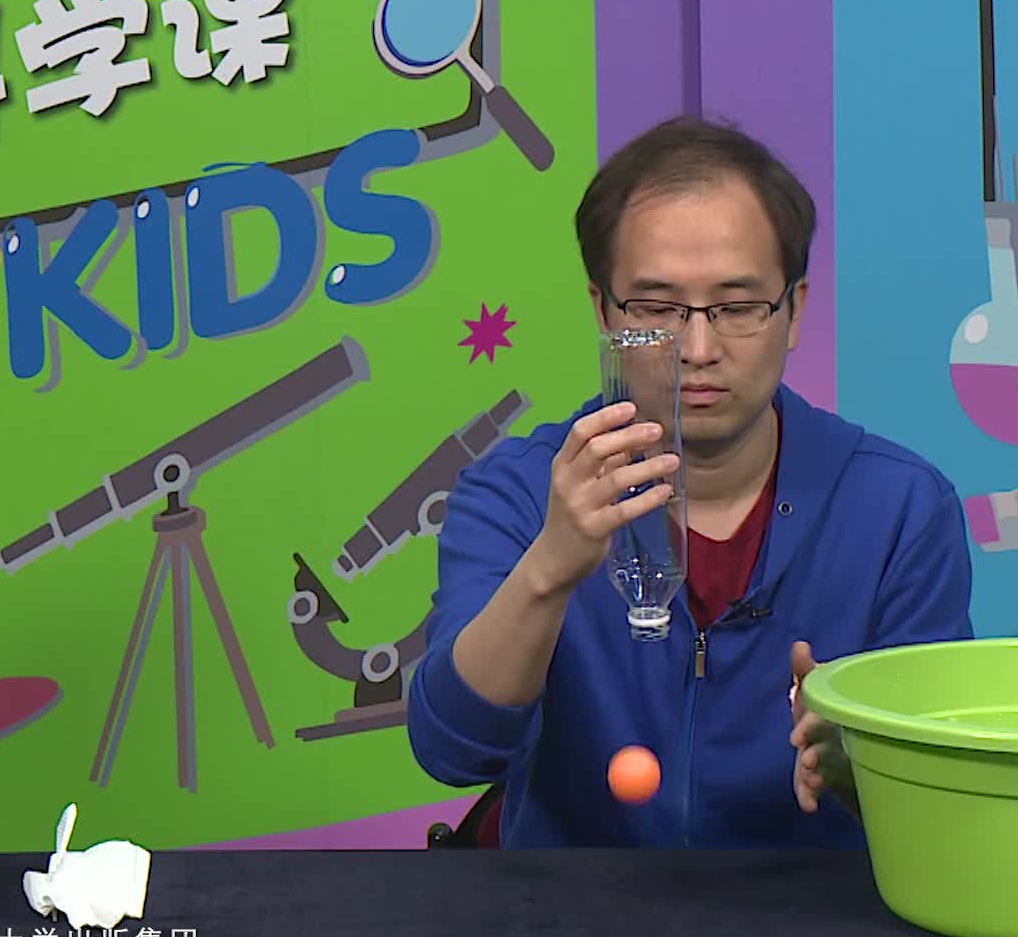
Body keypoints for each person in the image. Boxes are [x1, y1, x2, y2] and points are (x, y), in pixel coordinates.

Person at [405, 116, 974, 848]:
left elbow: (945, 805)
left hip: (813, 910)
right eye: (656, 309)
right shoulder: (515, 491)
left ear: (794, 311)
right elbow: (453, 751)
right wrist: (549, 567)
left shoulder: (900, 508)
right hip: (567, 908)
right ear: (602, 311)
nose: (698, 348)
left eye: (737, 308)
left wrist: (861, 765)